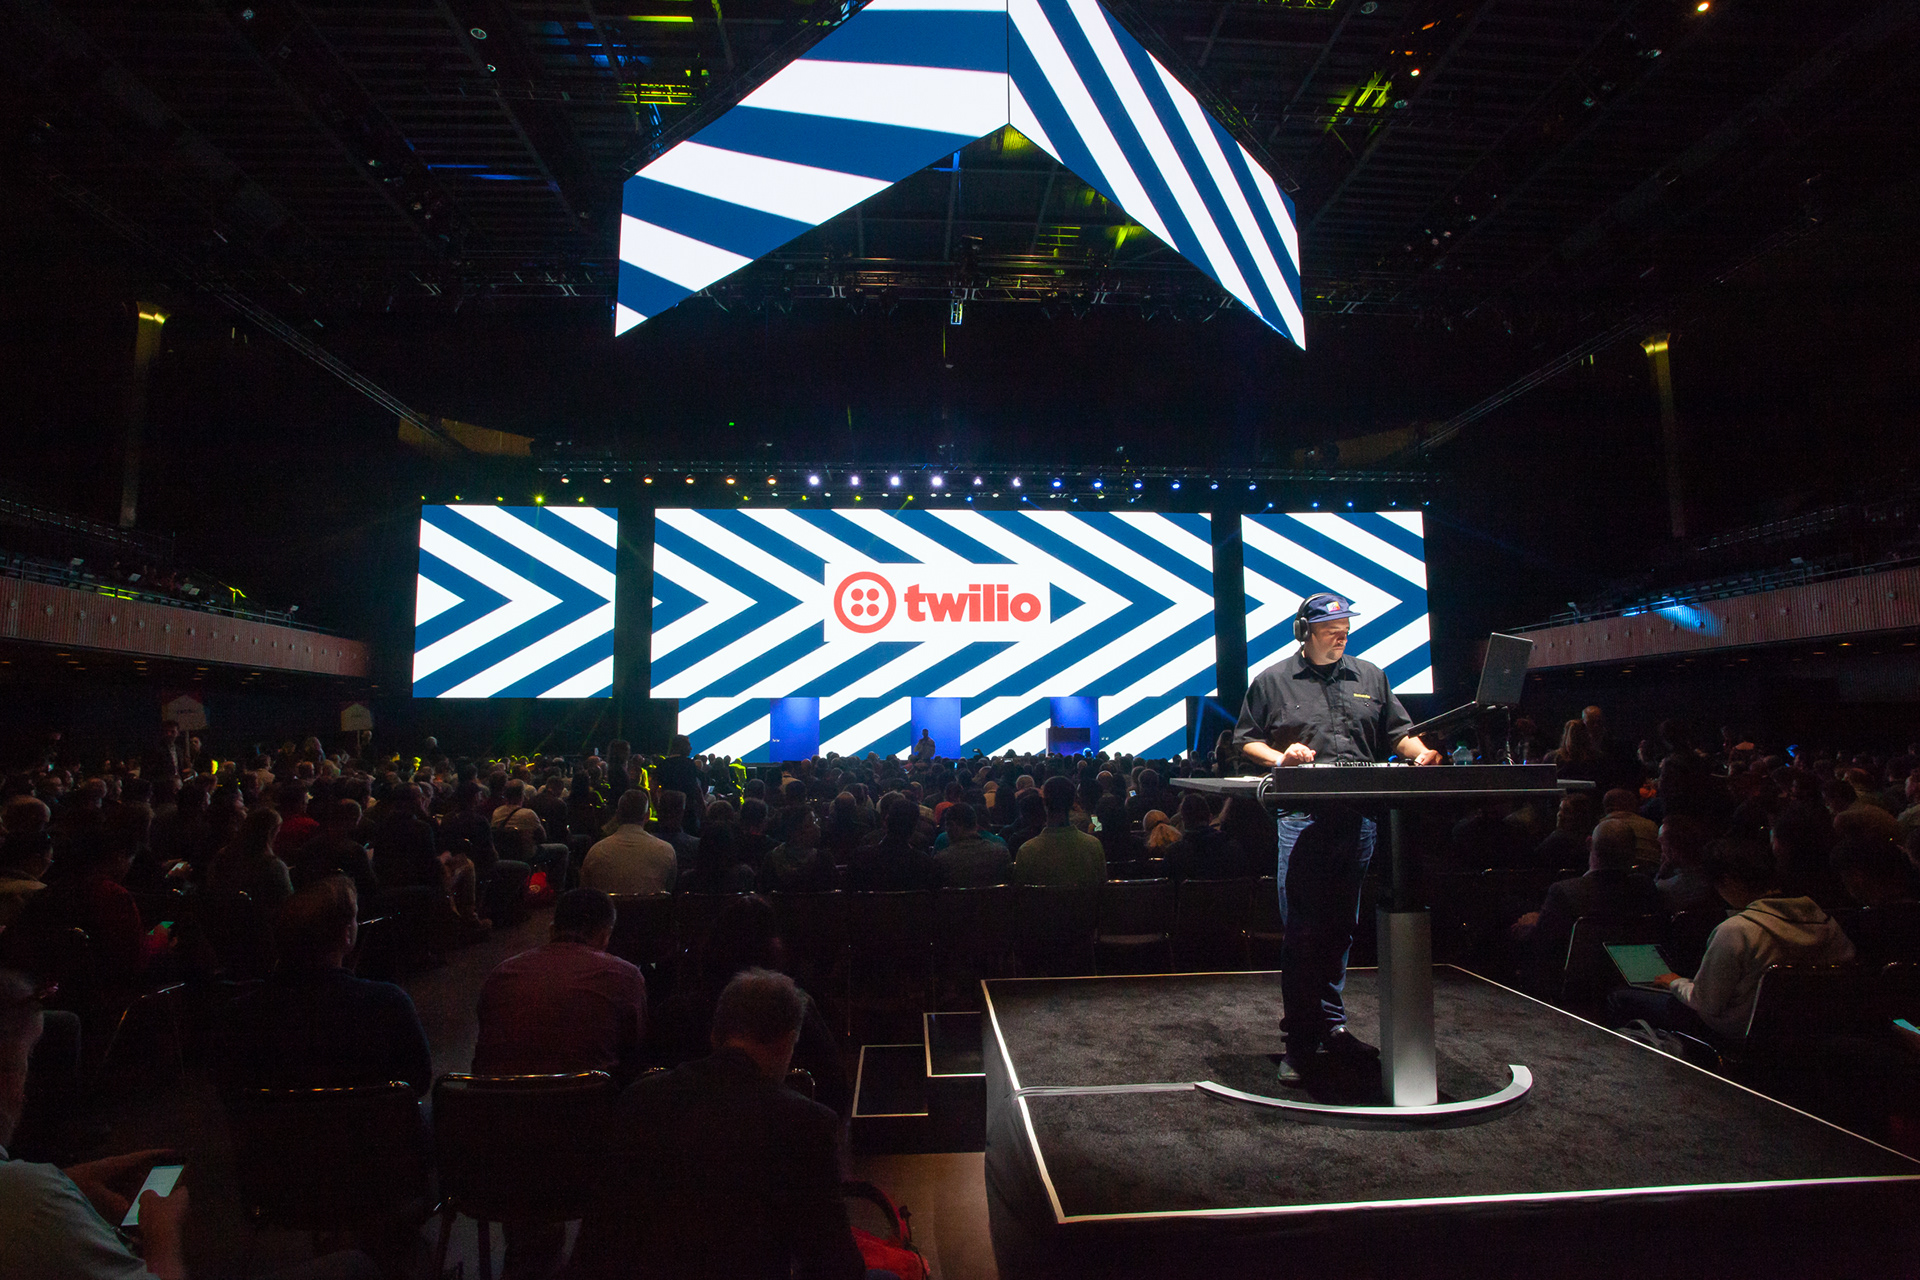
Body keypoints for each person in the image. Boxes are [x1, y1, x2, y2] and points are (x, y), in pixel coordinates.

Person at [1232, 591, 1439, 1086]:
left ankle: (1331, 1025)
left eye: (1345, 624)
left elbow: (1399, 734)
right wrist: (1281, 757)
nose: (1341, 632)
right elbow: (1246, 741)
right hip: (1303, 819)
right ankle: (1299, 1042)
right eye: (1331, 626)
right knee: (1303, 932)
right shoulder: (1272, 680)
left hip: (1361, 820)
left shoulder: (1370, 675)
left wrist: (1421, 751)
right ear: (1304, 631)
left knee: (1341, 929)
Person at [570, 969, 868, 1280]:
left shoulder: (638, 1099)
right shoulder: (806, 1123)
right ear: (788, 1042)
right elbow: (838, 1265)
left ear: (715, 1035)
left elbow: (596, 1244)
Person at [1606, 838, 1855, 1043]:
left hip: (1733, 1032)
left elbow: (1706, 1004)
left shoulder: (1737, 931)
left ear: (1727, 881)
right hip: (1805, 1034)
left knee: (1620, 996)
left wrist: (1675, 982)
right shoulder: (1826, 922)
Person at [215, 875, 432, 1097]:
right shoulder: (388, 1004)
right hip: (372, 1129)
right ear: (347, 935)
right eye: (355, 918)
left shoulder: (239, 1016)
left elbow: (232, 1092)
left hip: (277, 1131)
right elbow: (418, 1082)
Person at [474, 889, 648, 1084]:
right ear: (604, 936)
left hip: (495, 1106)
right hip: (586, 1106)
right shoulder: (626, 976)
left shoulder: (502, 974)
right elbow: (635, 1050)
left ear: (552, 930)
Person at [1509, 818, 1661, 992]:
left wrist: (1531, 926)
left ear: (1589, 843)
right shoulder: (1645, 888)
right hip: (1636, 977)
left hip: (1577, 986)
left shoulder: (1564, 892)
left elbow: (1544, 945)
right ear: (1633, 851)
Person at [1011, 777, 1105, 888]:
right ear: (1073, 802)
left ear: (1044, 802)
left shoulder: (1027, 851)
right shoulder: (1093, 846)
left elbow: (1020, 895)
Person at [580, 790, 678, 896]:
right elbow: (670, 888)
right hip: (650, 912)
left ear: (617, 815)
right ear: (647, 816)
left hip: (612, 912)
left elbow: (586, 892)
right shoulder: (666, 851)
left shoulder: (597, 852)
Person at [933, 803, 1010, 887]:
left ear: (953, 826)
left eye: (947, 826)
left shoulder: (942, 860)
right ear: (975, 824)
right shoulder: (1001, 854)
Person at [654, 736, 706, 838]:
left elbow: (653, 789)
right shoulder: (689, 765)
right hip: (688, 813)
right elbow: (696, 789)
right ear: (680, 746)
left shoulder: (663, 765)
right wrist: (703, 807)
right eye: (688, 745)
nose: (691, 748)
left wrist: (658, 808)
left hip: (666, 815)